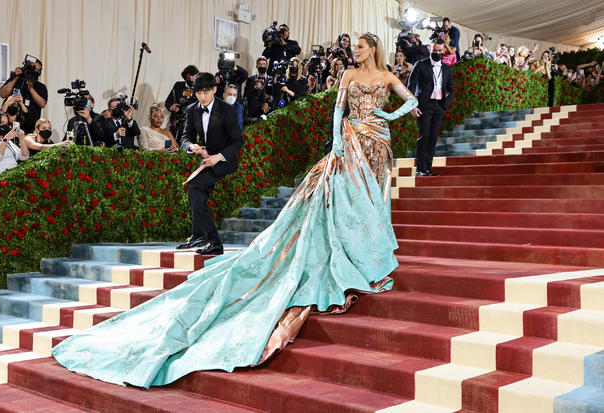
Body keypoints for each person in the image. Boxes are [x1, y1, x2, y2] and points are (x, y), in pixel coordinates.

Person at [51, 32, 418, 389]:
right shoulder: (349, 75)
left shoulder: (386, 75)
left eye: (360, 46)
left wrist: (386, 117)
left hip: (376, 142)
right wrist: (337, 141)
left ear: (372, 49)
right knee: (342, 196)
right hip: (350, 139)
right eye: (354, 46)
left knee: (370, 198)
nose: (355, 51)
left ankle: (365, 246)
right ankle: (339, 247)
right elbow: (337, 111)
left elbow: (411, 101)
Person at [175, 73, 243, 254]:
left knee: (195, 187)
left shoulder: (227, 110)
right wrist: (191, 146)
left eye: (206, 92)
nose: (202, 97)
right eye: (198, 93)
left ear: (214, 89)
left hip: (223, 161)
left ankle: (214, 242)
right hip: (206, 159)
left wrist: (219, 156)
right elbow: (184, 137)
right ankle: (198, 235)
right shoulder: (192, 110)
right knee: (197, 193)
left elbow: (238, 142)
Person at [408, 38, 456, 177]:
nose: (437, 52)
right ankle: (420, 168)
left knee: (433, 137)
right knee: (425, 136)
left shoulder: (446, 69)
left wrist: (445, 104)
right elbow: (411, 86)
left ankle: (428, 168)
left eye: (440, 51)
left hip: (439, 106)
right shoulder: (420, 64)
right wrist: (412, 105)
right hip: (424, 105)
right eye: (434, 50)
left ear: (444, 51)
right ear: (431, 50)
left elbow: (451, 89)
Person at [0, 59, 48, 133]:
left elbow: (42, 104)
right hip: (10, 125)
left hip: (30, 126)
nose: (35, 71)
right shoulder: (16, 79)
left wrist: (31, 89)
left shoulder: (41, 87)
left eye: (38, 70)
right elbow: (3, 94)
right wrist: (15, 78)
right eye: (33, 68)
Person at [0, 112, 29, 178]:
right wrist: (6, 139)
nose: (5, 125)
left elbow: (24, 156)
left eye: (7, 123)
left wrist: (21, 138)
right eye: (2, 123)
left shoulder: (9, 141)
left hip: (12, 177)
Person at [165, 65, 199, 139]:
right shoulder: (178, 85)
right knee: (172, 142)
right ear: (185, 76)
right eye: (189, 77)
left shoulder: (199, 90)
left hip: (191, 123)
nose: (191, 79)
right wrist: (171, 107)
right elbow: (168, 101)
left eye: (193, 77)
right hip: (175, 121)